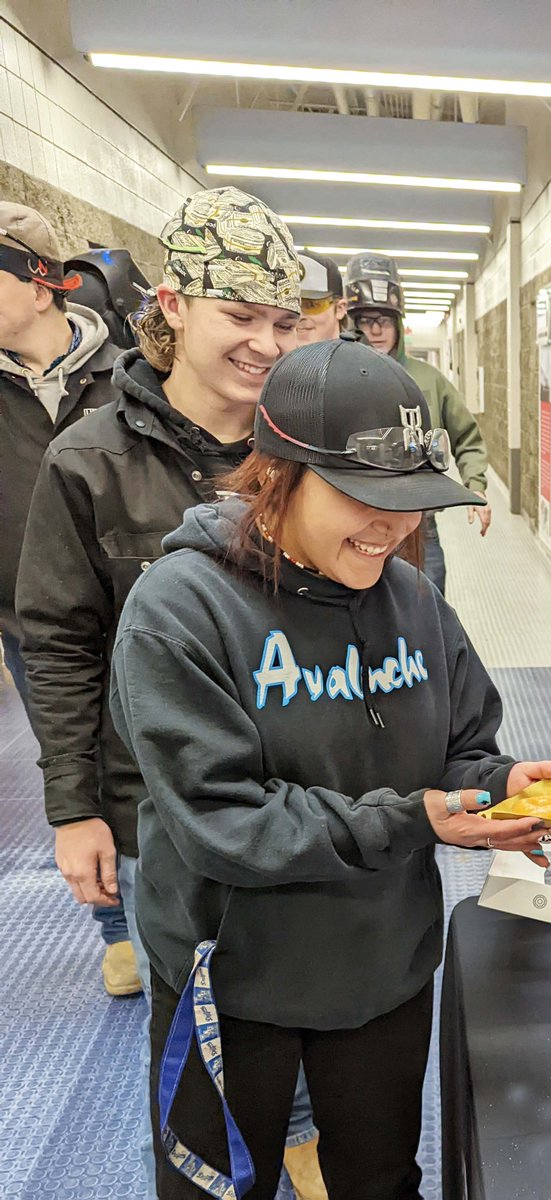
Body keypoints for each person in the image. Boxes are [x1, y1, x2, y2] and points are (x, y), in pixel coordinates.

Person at [109, 338, 551, 1199]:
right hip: (234, 976)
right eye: (364, 496)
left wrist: (497, 786)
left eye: (415, 502)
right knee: (215, 1188)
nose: (395, 526)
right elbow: (223, 820)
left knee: (381, 1180)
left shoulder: (414, 600)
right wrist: (414, 818)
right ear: (277, 474)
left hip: (381, 968)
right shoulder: (181, 611)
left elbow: (463, 742)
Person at [15, 187, 329, 1198]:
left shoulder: (311, 447)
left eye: (283, 321)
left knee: (316, 985)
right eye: (242, 315)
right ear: (174, 305)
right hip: (162, 807)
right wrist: (74, 810)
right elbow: (58, 643)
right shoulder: (91, 461)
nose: (266, 343)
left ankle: (307, 1131)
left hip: (308, 794)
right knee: (198, 1014)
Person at [0, 201, 139, 997]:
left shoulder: (127, 378)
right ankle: (116, 928)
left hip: (137, 603)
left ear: (42, 282)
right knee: (73, 758)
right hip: (35, 618)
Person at [345, 251, 490, 595]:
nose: (377, 330)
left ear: (399, 323)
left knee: (428, 606)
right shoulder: (337, 379)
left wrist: (476, 484)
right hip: (354, 520)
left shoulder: (429, 379)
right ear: (352, 323)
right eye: (367, 320)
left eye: (385, 319)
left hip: (418, 526)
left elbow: (466, 434)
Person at [295, 249, 349, 345]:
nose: (299, 316)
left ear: (340, 309)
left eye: (311, 305)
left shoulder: (361, 359)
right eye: (290, 307)